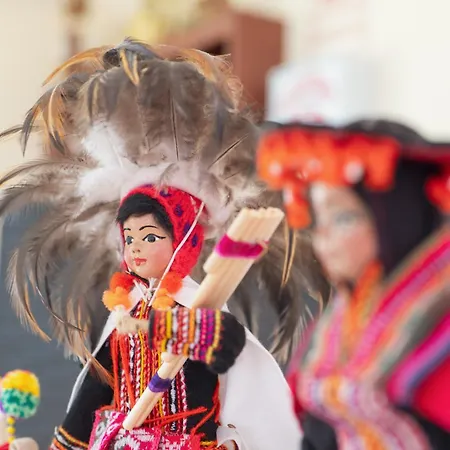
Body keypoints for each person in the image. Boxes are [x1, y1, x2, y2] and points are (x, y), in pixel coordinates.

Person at [0, 39, 317, 450]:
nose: (135, 247)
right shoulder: (126, 311)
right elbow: (98, 385)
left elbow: (229, 351)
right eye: (129, 237)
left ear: (183, 243)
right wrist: (67, 442)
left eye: (150, 236)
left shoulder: (199, 307)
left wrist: (197, 335)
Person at [257, 119, 450, 449]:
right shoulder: (342, 317)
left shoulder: (438, 319)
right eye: (318, 219)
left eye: (343, 218)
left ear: (396, 218)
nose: (323, 236)